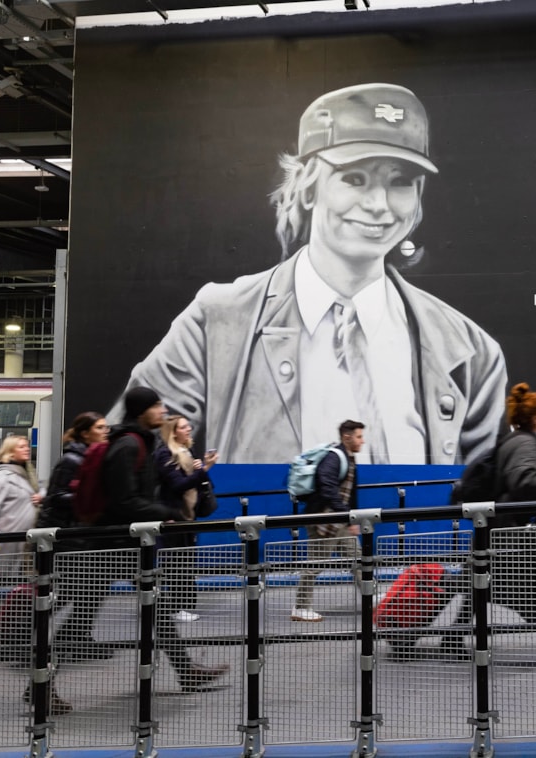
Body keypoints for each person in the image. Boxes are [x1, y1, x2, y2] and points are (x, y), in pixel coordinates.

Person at [112, 82, 507, 465]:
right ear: (307, 187)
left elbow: (476, 499)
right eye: (354, 178)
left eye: (400, 182)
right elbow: (130, 449)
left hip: (406, 536)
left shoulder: (471, 352)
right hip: (274, 534)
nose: (379, 204)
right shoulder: (217, 320)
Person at [97, 387, 228, 692]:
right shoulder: (129, 445)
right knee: (81, 612)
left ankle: (186, 671)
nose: (163, 410)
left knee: (154, 602)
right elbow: (124, 499)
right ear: (142, 410)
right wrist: (164, 512)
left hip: (127, 542)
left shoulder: (140, 441)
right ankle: (40, 680)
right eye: (157, 405)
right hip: (113, 543)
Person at [460, 383, 536, 664]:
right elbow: (522, 482)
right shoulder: (527, 443)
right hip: (518, 537)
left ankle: (453, 638)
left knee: (481, 585)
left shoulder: (520, 441)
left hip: (504, 533)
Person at [46, 413, 115, 662]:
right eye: (100, 428)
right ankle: (26, 639)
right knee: (76, 592)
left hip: (83, 536)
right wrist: (88, 499)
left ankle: (77, 639)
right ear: (85, 433)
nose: (105, 431)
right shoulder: (71, 460)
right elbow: (55, 497)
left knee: (89, 591)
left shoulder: (93, 458)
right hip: (68, 537)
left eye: (106, 427)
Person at [292, 420, 364, 623]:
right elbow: (327, 485)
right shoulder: (335, 457)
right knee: (315, 563)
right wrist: (345, 512)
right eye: (359, 436)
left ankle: (371, 597)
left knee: (358, 559)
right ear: (347, 437)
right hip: (323, 521)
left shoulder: (348, 458)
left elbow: (350, 492)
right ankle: (301, 607)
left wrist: (351, 517)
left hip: (338, 520)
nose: (362, 441)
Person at [154, 415, 218, 622]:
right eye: (183, 427)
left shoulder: (186, 453)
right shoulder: (165, 454)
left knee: (186, 563)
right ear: (173, 432)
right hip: (173, 517)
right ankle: (175, 607)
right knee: (176, 565)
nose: (189, 429)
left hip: (187, 517)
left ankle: (185, 606)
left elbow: (201, 485)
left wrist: (201, 470)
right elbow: (178, 485)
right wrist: (204, 469)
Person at [0, 435, 41, 575]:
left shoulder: (26, 473)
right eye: (21, 447)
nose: (27, 449)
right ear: (10, 451)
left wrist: (41, 496)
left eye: (27, 446)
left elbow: (38, 490)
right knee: (5, 578)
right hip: (7, 540)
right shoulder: (2, 478)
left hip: (24, 539)